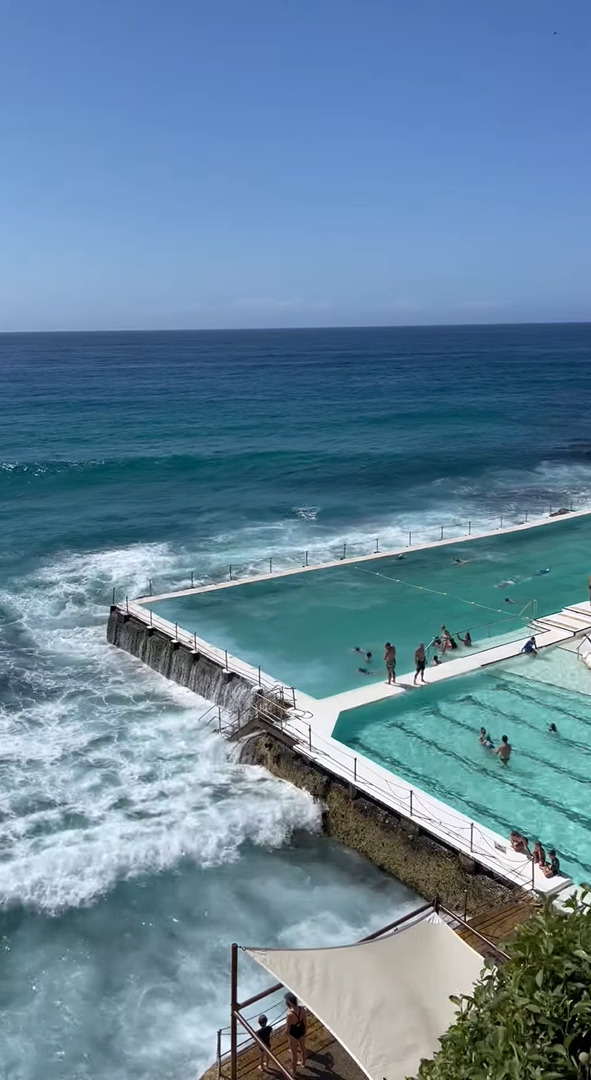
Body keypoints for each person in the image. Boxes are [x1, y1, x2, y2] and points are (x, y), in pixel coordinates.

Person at [285, 992, 306, 1073]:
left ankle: (293, 1070)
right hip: (301, 1030)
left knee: (294, 1054)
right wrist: (305, 1031)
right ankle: (304, 1064)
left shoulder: (289, 1014)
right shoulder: (302, 1009)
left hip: (293, 1034)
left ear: (289, 1002)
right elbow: (305, 1022)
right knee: (303, 1048)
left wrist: (285, 1034)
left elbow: (288, 1029)